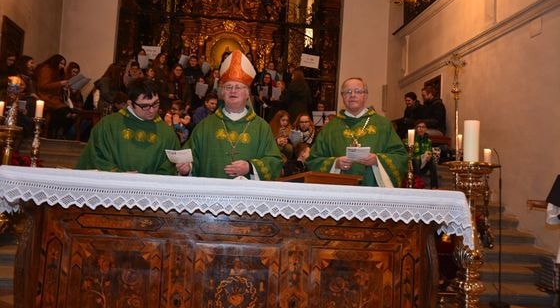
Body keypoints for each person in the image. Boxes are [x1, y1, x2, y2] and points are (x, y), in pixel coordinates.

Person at [177, 50, 282, 180]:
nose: (233, 91)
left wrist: (250, 167)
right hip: (211, 196)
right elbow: (191, 158)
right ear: (222, 93)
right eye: (228, 87)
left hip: (247, 197)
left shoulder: (261, 127)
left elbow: (275, 161)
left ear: (247, 93)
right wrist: (187, 169)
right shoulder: (205, 126)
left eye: (238, 87)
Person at [307, 77, 407, 187]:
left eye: (358, 91)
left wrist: (377, 160)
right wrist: (335, 163)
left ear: (365, 95)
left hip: (373, 190)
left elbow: (401, 157)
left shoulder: (383, 125)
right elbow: (313, 161)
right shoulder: (329, 128)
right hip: (340, 191)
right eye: (348, 92)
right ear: (342, 96)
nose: (352, 95)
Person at [76, 78, 179, 174]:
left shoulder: (167, 133)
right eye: (145, 106)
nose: (152, 110)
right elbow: (95, 156)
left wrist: (147, 183)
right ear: (130, 103)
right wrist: (119, 176)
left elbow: (171, 166)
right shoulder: (108, 125)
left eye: (155, 103)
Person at [412, 120, 438, 189]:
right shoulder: (411, 139)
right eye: (419, 127)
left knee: (432, 160)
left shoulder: (428, 141)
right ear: (415, 129)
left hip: (424, 165)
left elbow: (429, 151)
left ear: (426, 129)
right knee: (416, 159)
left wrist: (429, 156)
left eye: (423, 127)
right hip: (414, 166)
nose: (421, 129)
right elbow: (410, 154)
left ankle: (434, 186)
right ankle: (418, 184)